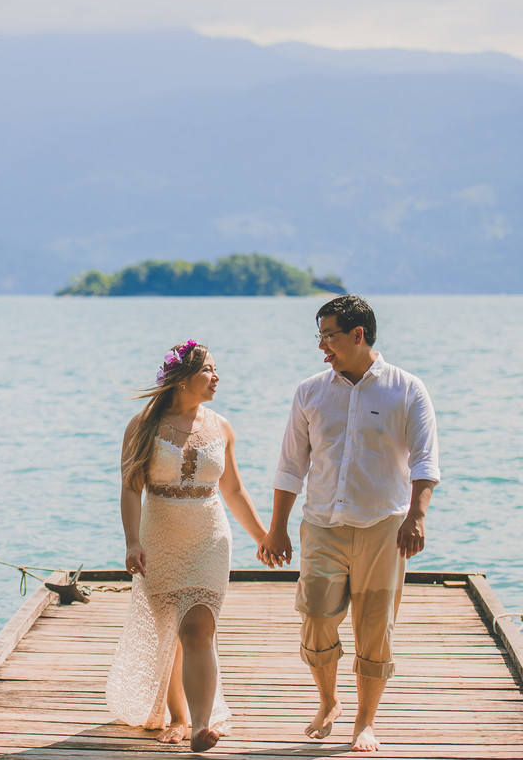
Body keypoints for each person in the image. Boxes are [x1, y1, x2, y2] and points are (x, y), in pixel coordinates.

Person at [258, 295, 440, 752]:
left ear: (358, 335)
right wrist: (276, 528)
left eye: (329, 335)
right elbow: (289, 466)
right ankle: (328, 701)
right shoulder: (310, 391)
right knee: (317, 616)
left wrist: (417, 516)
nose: (322, 346)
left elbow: (424, 459)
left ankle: (365, 721)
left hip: (383, 526)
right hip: (321, 524)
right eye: (319, 336)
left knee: (375, 628)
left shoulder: (407, 388)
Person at [106, 340, 268, 753]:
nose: (217, 377)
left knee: (198, 629)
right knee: (170, 636)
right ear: (181, 378)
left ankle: (199, 724)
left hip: (209, 538)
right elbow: (130, 489)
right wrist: (132, 541)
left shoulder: (223, 427)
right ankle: (177, 716)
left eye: (216, 369)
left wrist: (263, 537)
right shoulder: (142, 425)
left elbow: (232, 489)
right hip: (160, 539)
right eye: (208, 370)